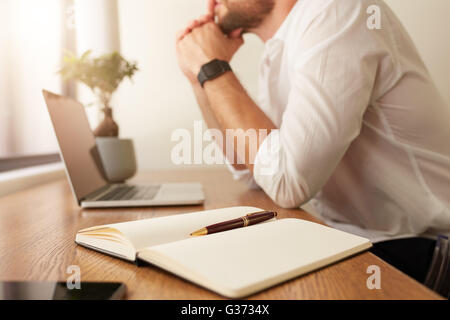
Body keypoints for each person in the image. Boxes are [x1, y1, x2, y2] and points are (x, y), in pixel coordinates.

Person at [175, 0, 450, 285]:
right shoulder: (278, 50)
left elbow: (287, 182)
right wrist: (199, 77)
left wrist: (212, 68)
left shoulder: (339, 11)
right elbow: (253, 171)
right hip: (365, 241)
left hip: (427, 254)